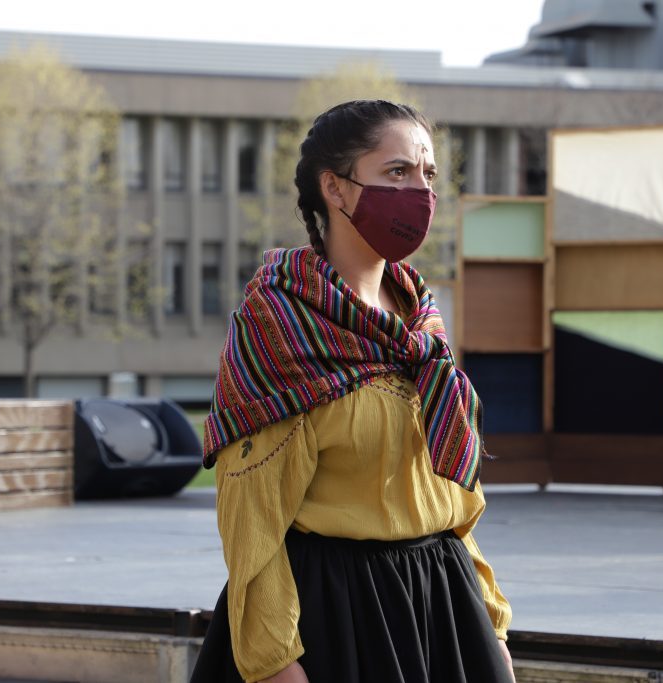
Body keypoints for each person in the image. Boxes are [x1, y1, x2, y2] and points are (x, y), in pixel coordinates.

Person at [190, 100, 514, 683]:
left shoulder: (420, 326)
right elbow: (251, 526)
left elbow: (451, 504)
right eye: (397, 172)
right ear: (335, 190)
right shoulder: (279, 327)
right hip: (341, 616)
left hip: (443, 602)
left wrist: (489, 627)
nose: (420, 191)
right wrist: (276, 665)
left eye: (428, 174)